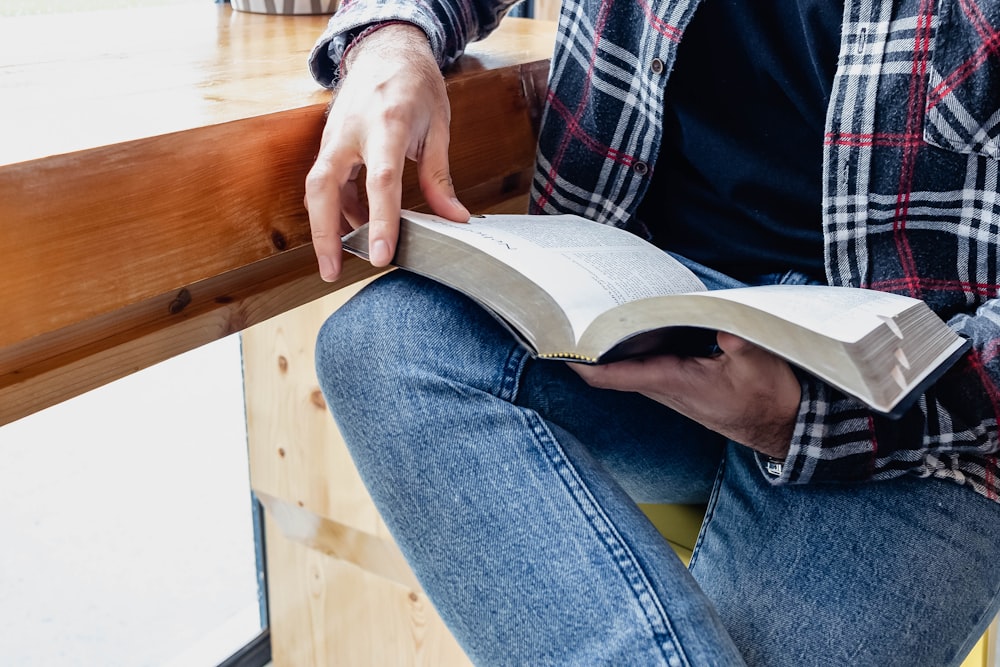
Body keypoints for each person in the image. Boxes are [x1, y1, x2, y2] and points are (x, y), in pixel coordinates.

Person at [304, 0, 1000, 664]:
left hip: (924, 411)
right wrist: (392, 38)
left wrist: (809, 416)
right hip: (648, 320)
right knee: (383, 343)